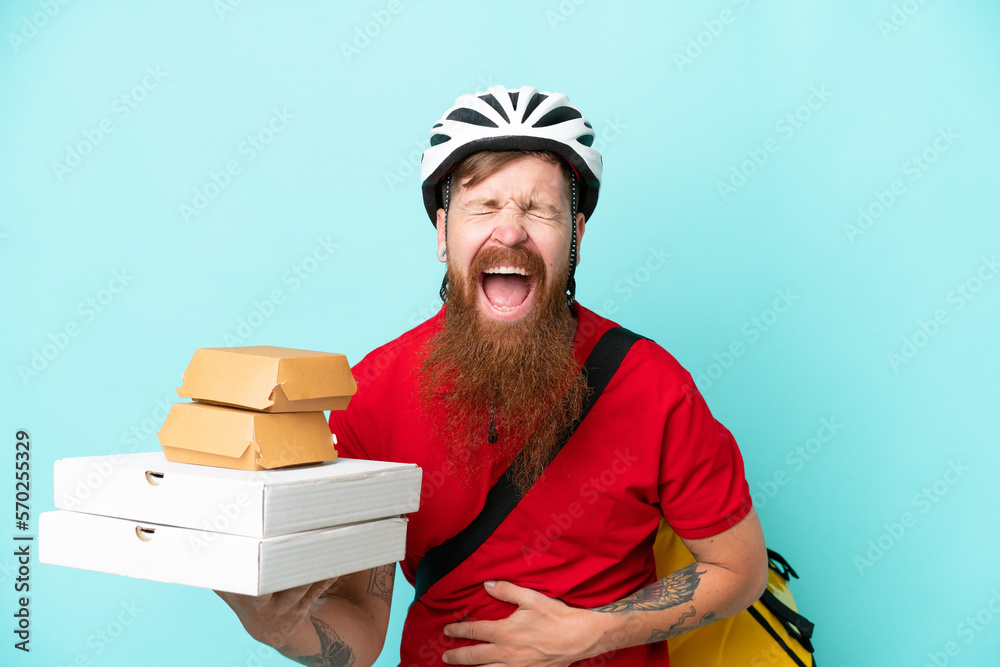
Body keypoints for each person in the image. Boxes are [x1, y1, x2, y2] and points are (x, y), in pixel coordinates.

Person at [216, 85, 768, 667]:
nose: (510, 232)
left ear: (576, 237)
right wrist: (283, 630)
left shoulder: (650, 382)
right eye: (484, 207)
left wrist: (592, 632)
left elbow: (739, 568)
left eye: (539, 210)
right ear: (441, 233)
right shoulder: (370, 394)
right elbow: (360, 634)